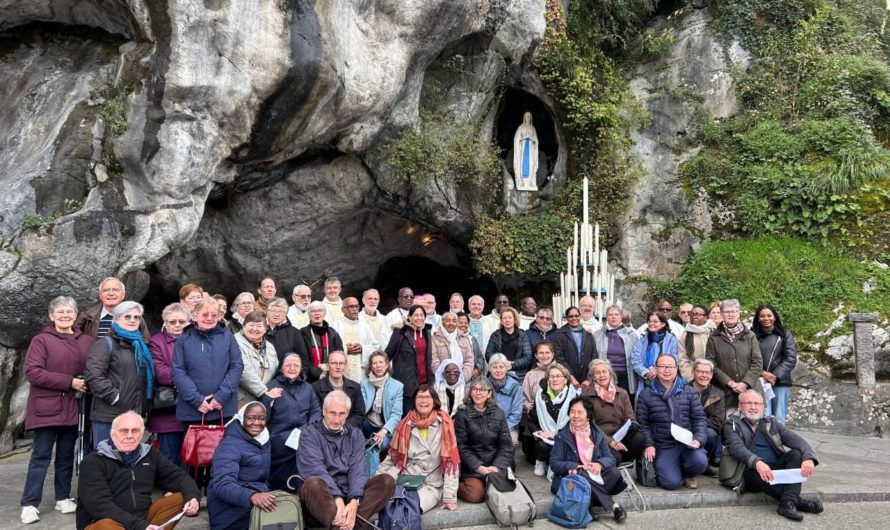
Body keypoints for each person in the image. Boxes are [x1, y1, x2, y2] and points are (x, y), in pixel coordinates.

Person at [20, 296, 94, 524]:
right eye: (60, 312)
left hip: (73, 407)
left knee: (65, 456)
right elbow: (33, 372)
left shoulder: (87, 341)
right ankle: (30, 504)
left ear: (76, 314)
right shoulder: (41, 340)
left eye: (69, 312)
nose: (65, 315)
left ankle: (62, 497)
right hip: (46, 408)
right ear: (51, 316)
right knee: (40, 457)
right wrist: (70, 382)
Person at [76, 412, 200, 530]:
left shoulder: (149, 455)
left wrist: (193, 497)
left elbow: (178, 477)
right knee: (106, 525)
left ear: (141, 435)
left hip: (141, 520)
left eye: (135, 431)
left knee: (180, 497)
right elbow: (100, 506)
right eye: (124, 431)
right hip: (105, 522)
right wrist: (139, 525)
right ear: (112, 434)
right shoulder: (93, 462)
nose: (129, 436)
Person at [298, 391, 396, 528]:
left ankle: (348, 523)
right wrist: (337, 497)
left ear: (347, 414)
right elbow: (315, 469)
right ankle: (348, 524)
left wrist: (354, 500)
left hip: (350, 495)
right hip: (325, 499)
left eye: (342, 414)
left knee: (386, 481)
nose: (337, 420)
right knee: (312, 484)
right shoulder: (309, 434)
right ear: (324, 411)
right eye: (333, 413)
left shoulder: (355, 434)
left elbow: (358, 470)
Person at [725, 392, 824, 521]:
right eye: (749, 403)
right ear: (739, 406)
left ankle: (788, 503)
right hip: (748, 470)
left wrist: (809, 458)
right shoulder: (731, 423)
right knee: (756, 474)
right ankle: (795, 503)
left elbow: (795, 440)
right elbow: (736, 448)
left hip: (774, 468)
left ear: (763, 406)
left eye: (757, 403)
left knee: (796, 454)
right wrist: (757, 463)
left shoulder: (771, 421)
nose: (753, 407)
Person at [377, 385, 460, 513]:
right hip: (405, 478)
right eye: (420, 397)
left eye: (427, 397)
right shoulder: (405, 424)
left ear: (434, 401)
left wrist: (449, 497)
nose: (423, 401)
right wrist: (377, 481)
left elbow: (451, 463)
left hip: (430, 483)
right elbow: (392, 458)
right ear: (414, 401)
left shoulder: (445, 424)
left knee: (406, 508)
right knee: (389, 505)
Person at [84, 301, 153, 446]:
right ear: (116, 319)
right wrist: (114, 396)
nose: (133, 320)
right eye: (127, 317)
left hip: (133, 414)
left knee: (128, 462)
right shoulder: (105, 343)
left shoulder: (140, 345)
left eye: (137, 317)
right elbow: (93, 375)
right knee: (106, 461)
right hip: (109, 415)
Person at [636, 353, 708, 490]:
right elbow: (643, 424)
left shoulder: (689, 391)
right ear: (656, 369)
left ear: (676, 369)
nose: (667, 370)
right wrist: (649, 444)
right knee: (671, 483)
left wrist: (698, 439)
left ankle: (688, 474)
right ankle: (673, 469)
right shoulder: (646, 394)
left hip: (687, 442)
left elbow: (699, 419)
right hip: (664, 444)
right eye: (662, 366)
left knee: (700, 462)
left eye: (670, 366)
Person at [549, 397, 627, 523]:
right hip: (570, 479)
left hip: (593, 475)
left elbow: (610, 458)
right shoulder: (562, 436)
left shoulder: (597, 434)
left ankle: (587, 505)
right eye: (572, 412)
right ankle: (614, 506)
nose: (575, 416)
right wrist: (576, 466)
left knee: (614, 472)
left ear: (588, 415)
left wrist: (599, 464)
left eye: (580, 412)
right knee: (581, 475)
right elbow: (554, 464)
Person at [173, 298, 243, 426]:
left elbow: (236, 366)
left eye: (214, 315)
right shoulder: (184, 340)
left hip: (223, 408)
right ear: (195, 316)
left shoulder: (228, 337)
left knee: (226, 446)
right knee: (193, 446)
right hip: (192, 409)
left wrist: (221, 397)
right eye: (205, 314)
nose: (209, 318)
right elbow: (178, 371)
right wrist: (197, 400)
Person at [206, 402, 273, 530]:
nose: (257, 423)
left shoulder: (263, 439)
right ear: (242, 418)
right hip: (229, 508)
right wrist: (251, 496)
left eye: (261, 418)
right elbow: (222, 484)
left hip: (255, 501)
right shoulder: (230, 445)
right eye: (251, 418)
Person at [262, 353, 320, 490]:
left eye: (296, 365)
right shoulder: (272, 386)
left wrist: (306, 429)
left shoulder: (308, 388)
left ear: (301, 368)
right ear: (281, 368)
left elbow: (316, 411)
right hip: (278, 435)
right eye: (288, 365)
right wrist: (268, 399)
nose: (292, 368)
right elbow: (262, 416)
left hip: (304, 432)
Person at [453, 377, 514, 503]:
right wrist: (479, 467)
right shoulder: (462, 415)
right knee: (475, 496)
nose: (478, 393)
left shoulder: (498, 413)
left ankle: (489, 481)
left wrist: (496, 466)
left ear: (489, 393)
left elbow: (506, 445)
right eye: (474, 389)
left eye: (482, 389)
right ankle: (453, 486)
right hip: (472, 468)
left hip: (494, 465)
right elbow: (462, 447)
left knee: (507, 491)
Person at [146, 303, 189, 467]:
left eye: (181, 321)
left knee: (189, 457)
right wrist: (186, 380)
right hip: (168, 410)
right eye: (173, 322)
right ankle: (170, 492)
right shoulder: (156, 342)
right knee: (169, 459)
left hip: (192, 409)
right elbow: (160, 371)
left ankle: (187, 491)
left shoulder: (194, 339)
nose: (178, 325)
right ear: (165, 322)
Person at [582, 360, 645, 464]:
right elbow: (588, 426)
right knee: (615, 457)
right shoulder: (586, 396)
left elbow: (630, 419)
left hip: (619, 435)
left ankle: (622, 462)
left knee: (640, 438)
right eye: (597, 373)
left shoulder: (622, 393)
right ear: (593, 377)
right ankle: (610, 465)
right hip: (599, 438)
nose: (601, 375)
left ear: (610, 374)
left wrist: (622, 434)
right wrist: (610, 441)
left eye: (604, 371)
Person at [706, 299, 763, 411]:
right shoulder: (713, 337)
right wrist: (730, 382)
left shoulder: (750, 335)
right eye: (727, 312)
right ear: (722, 314)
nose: (730, 314)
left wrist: (745, 383)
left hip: (751, 391)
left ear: (739, 313)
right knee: (727, 426)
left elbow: (757, 362)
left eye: (734, 311)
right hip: (725, 392)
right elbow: (711, 363)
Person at [525, 363, 577, 476]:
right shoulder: (540, 396)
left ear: (565, 379)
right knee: (542, 446)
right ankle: (540, 460)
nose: (554, 379)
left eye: (558, 376)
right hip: (545, 437)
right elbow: (531, 420)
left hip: (567, 437)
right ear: (547, 379)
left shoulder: (574, 397)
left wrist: (556, 435)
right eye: (551, 376)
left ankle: (556, 465)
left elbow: (576, 424)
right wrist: (538, 432)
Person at [752, 304, 798, 424]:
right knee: (763, 415)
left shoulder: (784, 334)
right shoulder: (751, 335)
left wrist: (774, 375)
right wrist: (762, 374)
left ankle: (777, 442)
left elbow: (791, 358)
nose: (766, 318)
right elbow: (746, 358)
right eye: (762, 316)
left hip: (780, 381)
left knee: (778, 417)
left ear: (775, 317)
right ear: (758, 318)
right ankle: (764, 441)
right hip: (759, 381)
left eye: (769, 315)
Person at [385, 304, 433, 414]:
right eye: (416, 315)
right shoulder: (401, 332)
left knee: (421, 416)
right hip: (406, 385)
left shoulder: (427, 332)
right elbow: (387, 355)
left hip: (424, 384)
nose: (419, 318)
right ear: (409, 317)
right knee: (407, 417)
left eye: (422, 315)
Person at [75, 277, 149, 339]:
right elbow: (74, 339)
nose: (110, 293)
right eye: (106, 290)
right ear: (100, 295)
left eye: (115, 290)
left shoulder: (135, 317)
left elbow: (146, 341)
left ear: (123, 295)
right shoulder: (87, 316)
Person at [360, 351, 404, 451]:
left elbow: (396, 414)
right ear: (371, 367)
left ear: (387, 365)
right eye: (375, 363)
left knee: (382, 445)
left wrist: (383, 431)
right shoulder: (364, 384)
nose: (378, 366)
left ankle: (370, 444)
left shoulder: (397, 386)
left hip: (385, 427)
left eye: (381, 362)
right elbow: (361, 409)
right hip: (368, 424)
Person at [312, 350, 366, 429]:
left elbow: (359, 414)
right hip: (325, 432)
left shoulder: (355, 387)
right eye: (334, 363)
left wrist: (342, 427)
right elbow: (316, 414)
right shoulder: (315, 387)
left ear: (345, 366)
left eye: (341, 363)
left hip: (349, 430)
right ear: (327, 366)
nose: (338, 367)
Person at [235, 311, 280, 405]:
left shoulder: (269, 347)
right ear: (244, 326)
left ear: (265, 329)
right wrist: (263, 392)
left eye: (259, 326)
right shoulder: (235, 342)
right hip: (242, 399)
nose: (254, 329)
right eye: (251, 325)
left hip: (267, 398)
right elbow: (244, 370)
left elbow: (276, 370)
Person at [593, 305, 638, 396]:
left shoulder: (631, 334)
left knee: (625, 403)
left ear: (621, 317)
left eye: (616, 314)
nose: (613, 317)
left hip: (626, 376)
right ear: (607, 317)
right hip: (606, 376)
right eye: (610, 314)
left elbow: (637, 355)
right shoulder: (598, 335)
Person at [631, 312, 680, 395]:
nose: (651, 323)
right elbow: (635, 360)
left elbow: (675, 359)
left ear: (663, 324)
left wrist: (658, 370)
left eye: (655, 321)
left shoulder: (672, 340)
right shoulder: (642, 340)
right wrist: (646, 372)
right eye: (649, 321)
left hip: (666, 381)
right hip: (647, 381)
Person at [690, 358, 725, 469]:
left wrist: (698, 425)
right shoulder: (683, 390)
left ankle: (705, 462)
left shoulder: (718, 394)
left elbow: (717, 422)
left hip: (706, 429)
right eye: (700, 372)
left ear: (711, 374)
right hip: (686, 427)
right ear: (693, 372)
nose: (704, 375)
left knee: (711, 434)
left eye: (707, 372)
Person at [553, 306, 597, 391]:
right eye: (571, 316)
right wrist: (571, 377)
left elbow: (594, 356)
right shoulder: (560, 335)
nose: (574, 318)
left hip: (586, 379)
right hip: (568, 378)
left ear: (580, 317)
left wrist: (589, 378)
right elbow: (559, 358)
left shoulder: (588, 335)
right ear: (566, 318)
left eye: (576, 316)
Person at [485, 306, 533, 381]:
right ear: (501, 321)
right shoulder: (495, 335)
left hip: (518, 375)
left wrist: (512, 364)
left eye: (510, 317)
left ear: (514, 320)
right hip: (498, 373)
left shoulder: (523, 335)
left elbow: (527, 357)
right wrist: (502, 364)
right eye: (504, 318)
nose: (507, 320)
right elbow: (488, 355)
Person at [301, 301, 345, 382]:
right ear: (309, 314)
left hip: (331, 377)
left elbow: (340, 356)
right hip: (310, 379)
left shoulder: (333, 333)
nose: (317, 313)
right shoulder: (303, 333)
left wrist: (329, 371)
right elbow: (303, 359)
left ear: (324, 313)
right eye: (313, 311)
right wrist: (318, 373)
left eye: (320, 310)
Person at [331, 296, 372, 382]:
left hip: (360, 371)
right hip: (341, 369)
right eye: (351, 306)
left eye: (357, 306)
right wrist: (345, 349)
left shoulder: (365, 326)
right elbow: (330, 347)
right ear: (343, 310)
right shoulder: (335, 325)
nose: (355, 309)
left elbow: (375, 346)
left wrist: (362, 348)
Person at [487, 354, 523, 445]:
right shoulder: (484, 385)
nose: (498, 370)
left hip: (509, 426)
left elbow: (516, 414)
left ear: (506, 368)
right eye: (495, 367)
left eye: (501, 367)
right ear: (490, 369)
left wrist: (502, 427)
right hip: (487, 425)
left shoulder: (516, 387)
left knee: (510, 441)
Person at [264, 297, 311, 367]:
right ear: (267, 312)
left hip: (287, 375)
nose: (276, 314)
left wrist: (301, 377)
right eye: (273, 310)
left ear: (286, 314)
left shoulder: (295, 333)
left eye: (280, 311)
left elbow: (304, 359)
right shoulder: (258, 330)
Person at [431, 312, 474, 381]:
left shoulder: (464, 338)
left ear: (457, 323)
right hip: (442, 380)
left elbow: (469, 360)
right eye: (448, 320)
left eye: (454, 321)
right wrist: (445, 377)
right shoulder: (434, 339)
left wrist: (463, 377)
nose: (451, 323)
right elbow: (433, 360)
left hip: (462, 380)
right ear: (442, 322)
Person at [678, 305, 712, 381]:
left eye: (698, 314)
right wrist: (690, 377)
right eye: (692, 314)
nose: (694, 316)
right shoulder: (685, 335)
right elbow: (683, 359)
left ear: (706, 317)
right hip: (693, 377)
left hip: (713, 376)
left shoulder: (713, 332)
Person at [522, 341, 555, 413]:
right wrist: (528, 405)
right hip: (537, 416)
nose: (544, 356)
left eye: (547, 352)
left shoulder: (561, 372)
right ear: (536, 355)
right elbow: (524, 397)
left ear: (552, 354)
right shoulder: (530, 375)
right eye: (541, 353)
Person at [358, 288, 392, 360]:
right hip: (362, 358)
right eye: (369, 298)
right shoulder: (357, 319)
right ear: (363, 300)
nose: (372, 301)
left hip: (382, 359)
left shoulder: (385, 320)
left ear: (378, 301)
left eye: (375, 299)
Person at [456, 312, 485, 378]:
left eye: (466, 323)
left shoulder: (472, 339)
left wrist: (477, 370)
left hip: (472, 376)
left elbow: (480, 357)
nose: (463, 325)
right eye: (460, 322)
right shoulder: (451, 339)